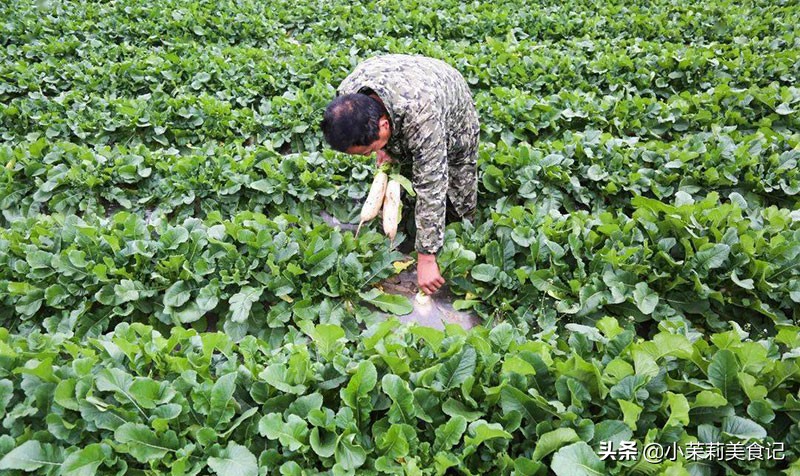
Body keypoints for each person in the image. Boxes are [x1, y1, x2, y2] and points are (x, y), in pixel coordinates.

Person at [321, 54, 480, 295]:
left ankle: (463, 235)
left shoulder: (423, 117)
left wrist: (427, 257)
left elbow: (432, 185)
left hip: (448, 95)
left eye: (368, 151)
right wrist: (381, 148)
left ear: (383, 125)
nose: (369, 156)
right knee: (404, 161)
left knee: (457, 192)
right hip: (399, 79)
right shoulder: (346, 98)